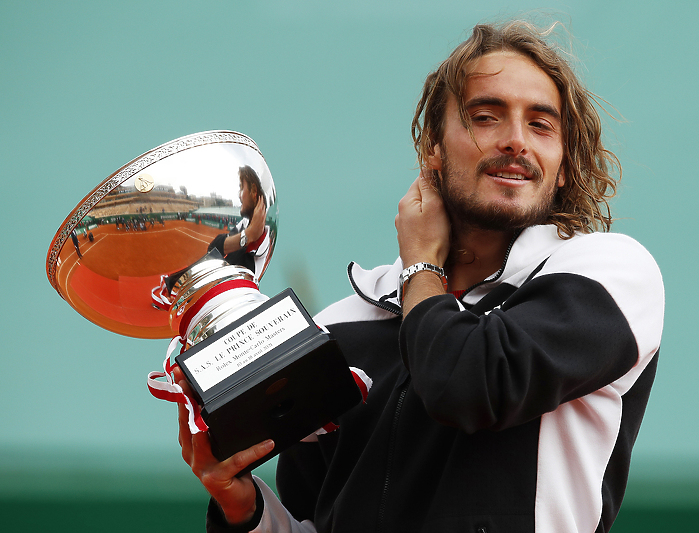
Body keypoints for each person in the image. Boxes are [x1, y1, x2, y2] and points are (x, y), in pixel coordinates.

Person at [176, 20, 664, 533]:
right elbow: (311, 522)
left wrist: (422, 266)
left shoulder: (608, 275)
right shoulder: (339, 329)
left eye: (541, 125)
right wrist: (242, 507)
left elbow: (470, 384)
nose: (516, 141)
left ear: (564, 164)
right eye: (486, 117)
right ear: (434, 144)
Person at [207, 165, 270, 278]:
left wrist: (247, 236)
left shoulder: (259, 250)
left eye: (241, 188)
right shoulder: (244, 225)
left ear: (254, 191)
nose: (239, 196)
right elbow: (214, 247)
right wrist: (247, 235)